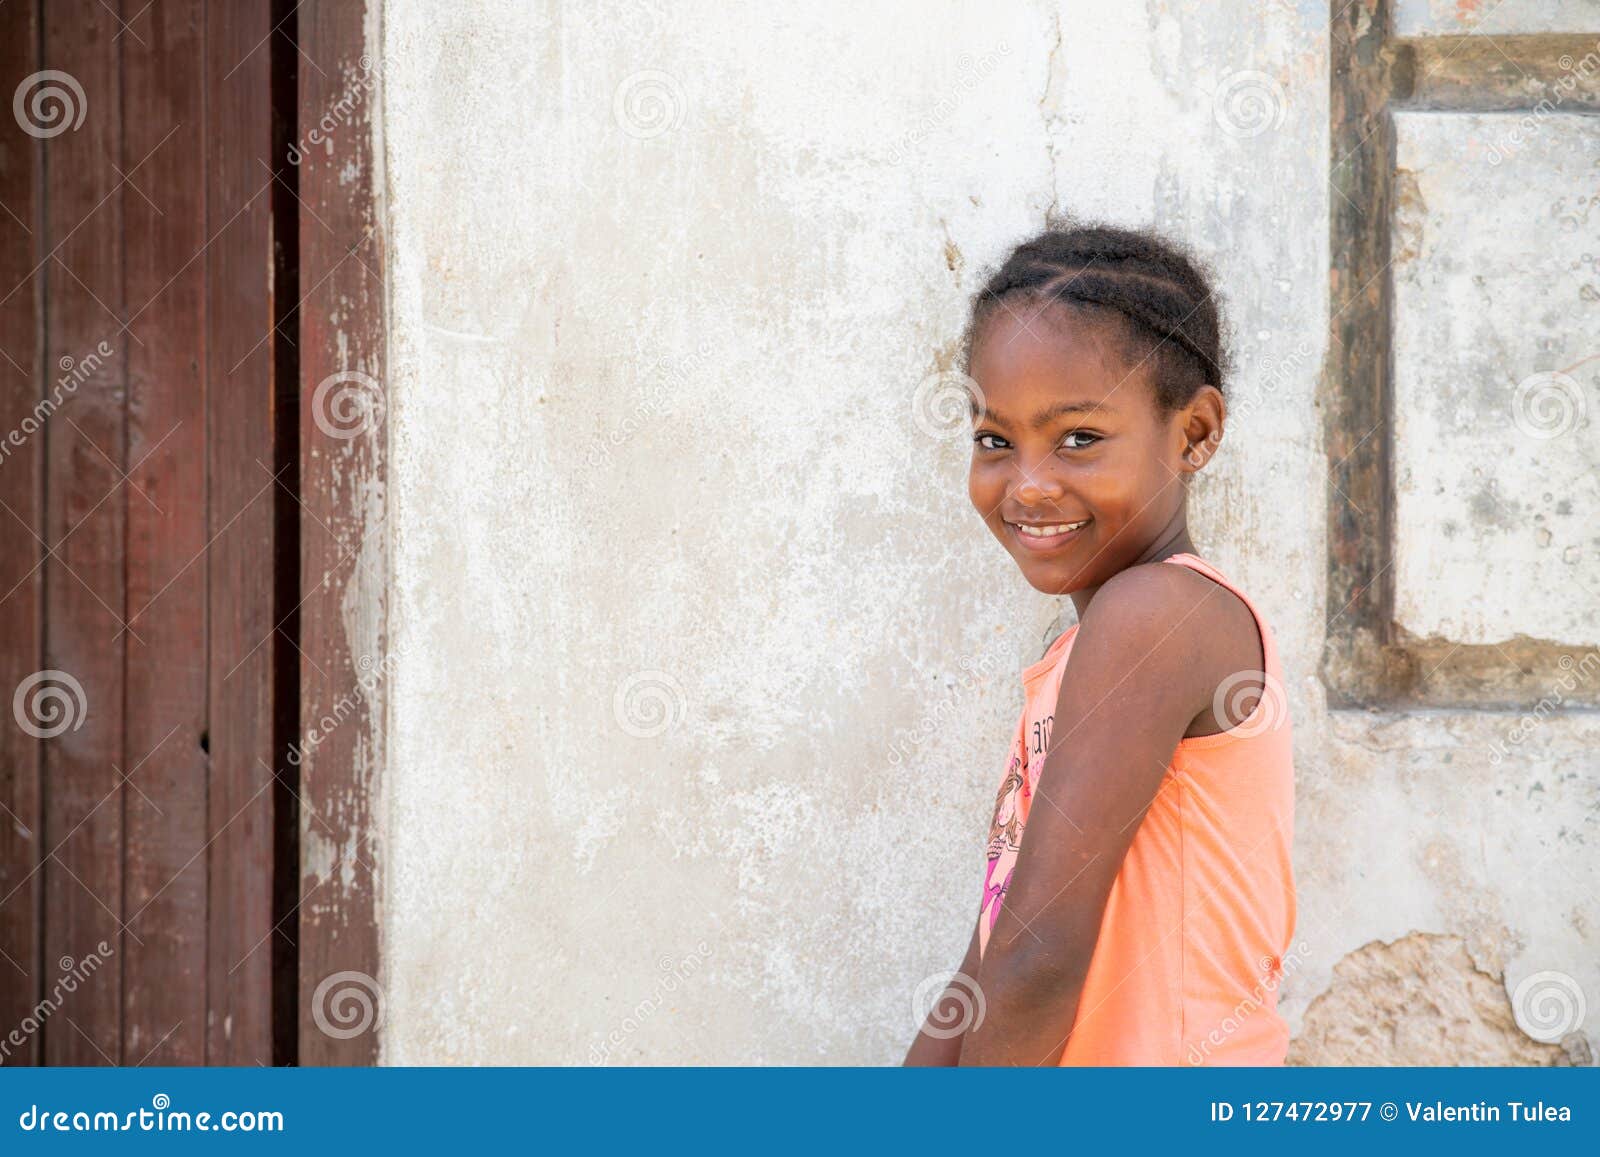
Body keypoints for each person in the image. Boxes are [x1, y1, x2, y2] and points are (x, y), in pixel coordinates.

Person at [903, 224, 1296, 1066]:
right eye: (994, 439)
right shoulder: (1088, 652)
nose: (1030, 483)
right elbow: (996, 949)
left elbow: (1038, 960)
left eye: (1078, 437)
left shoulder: (1158, 618)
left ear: (1192, 433)